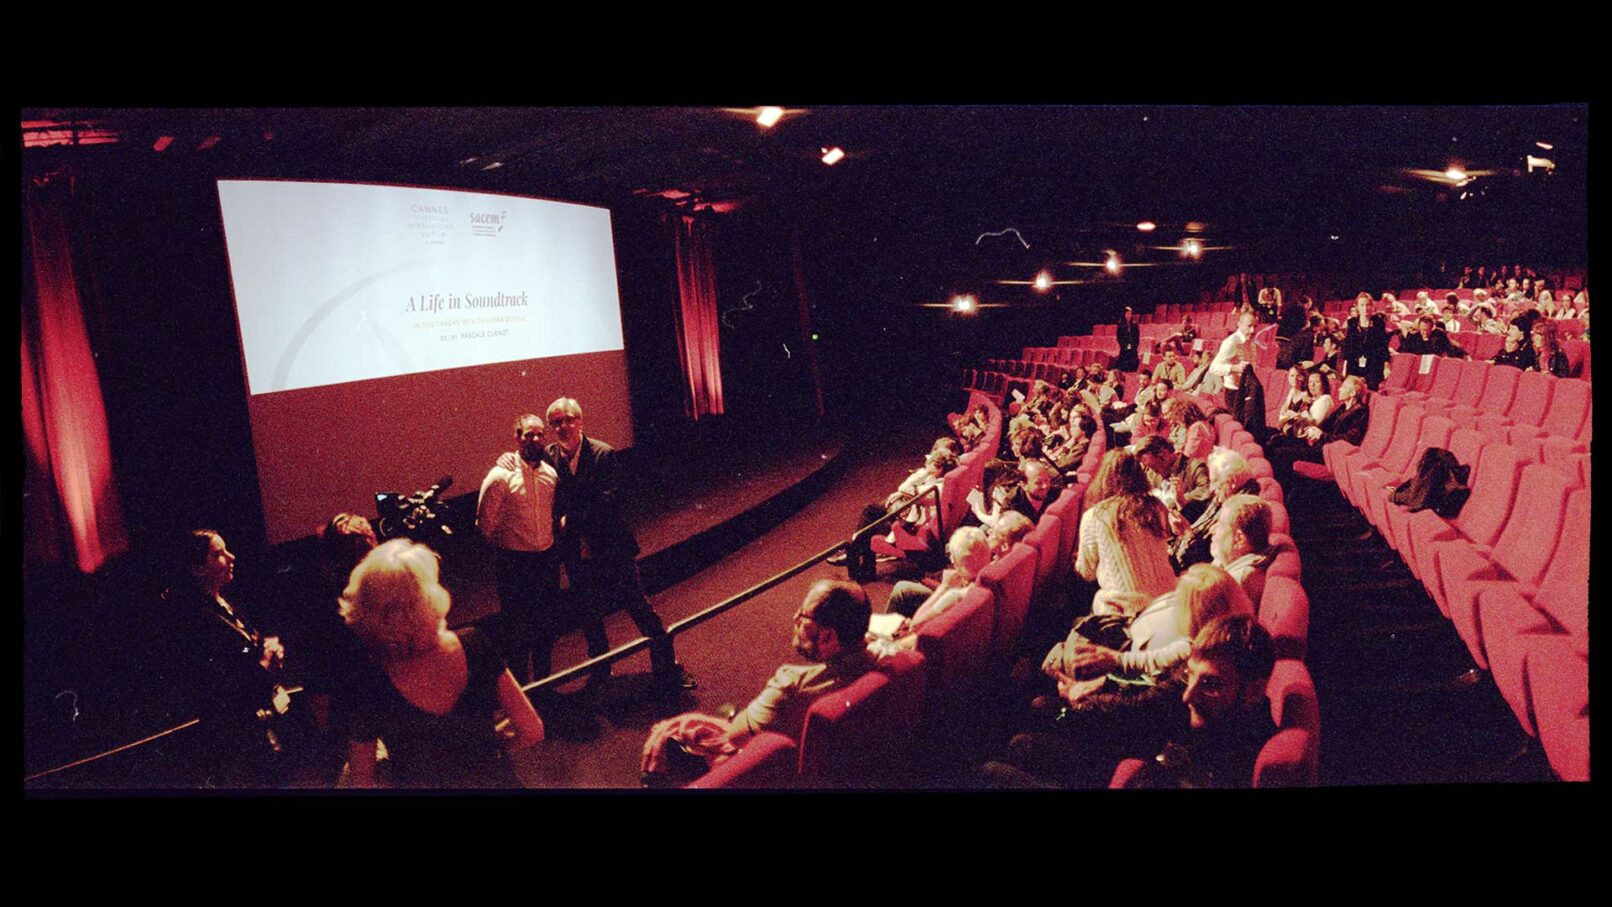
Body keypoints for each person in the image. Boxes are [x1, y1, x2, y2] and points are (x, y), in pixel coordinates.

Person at [338, 539, 543, 788]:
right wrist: (487, 748)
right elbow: (532, 730)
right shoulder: (473, 643)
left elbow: (362, 781)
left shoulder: (369, 685)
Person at [639, 580, 875, 785]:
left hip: (787, 770)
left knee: (679, 734)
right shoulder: (882, 657)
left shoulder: (791, 684)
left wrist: (739, 720)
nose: (795, 618)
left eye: (804, 616)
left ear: (827, 635)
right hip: (846, 761)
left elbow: (735, 736)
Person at [543, 397, 693, 699]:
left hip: (611, 548)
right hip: (576, 553)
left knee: (638, 607)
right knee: (589, 615)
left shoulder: (604, 454)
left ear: (581, 421)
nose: (563, 426)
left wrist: (567, 520)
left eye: (568, 419)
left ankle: (668, 668)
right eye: (556, 422)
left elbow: (608, 503)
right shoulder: (548, 456)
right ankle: (601, 671)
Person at [158, 529, 289, 786]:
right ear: (197, 568)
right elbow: (220, 682)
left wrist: (267, 646)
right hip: (234, 734)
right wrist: (264, 661)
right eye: (218, 554)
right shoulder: (196, 619)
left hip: (255, 723)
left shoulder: (224, 602)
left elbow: (244, 647)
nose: (231, 557)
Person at [1125, 614, 1277, 789]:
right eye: (1189, 674)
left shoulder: (1239, 763)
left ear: (1254, 692)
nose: (1187, 696)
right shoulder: (1221, 724)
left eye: (1210, 684)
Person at [478, 413, 563, 685]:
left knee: (545, 628)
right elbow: (485, 524)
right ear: (517, 437)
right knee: (516, 632)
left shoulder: (551, 474)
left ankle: (544, 685)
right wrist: (508, 549)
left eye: (540, 434)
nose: (535, 439)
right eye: (529, 434)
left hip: (546, 561)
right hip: (514, 564)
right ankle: (523, 691)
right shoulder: (500, 476)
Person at [1075, 450, 1179, 617]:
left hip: (1128, 609)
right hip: (1168, 598)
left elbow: (1087, 573)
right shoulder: (1157, 507)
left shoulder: (1095, 516)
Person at [871, 526, 992, 657]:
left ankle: (888, 640)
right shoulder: (991, 573)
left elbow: (916, 625)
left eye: (952, 556)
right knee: (903, 588)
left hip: (939, 640)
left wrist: (943, 587)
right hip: (956, 624)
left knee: (875, 632)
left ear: (957, 562)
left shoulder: (954, 596)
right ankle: (894, 633)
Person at [1266, 374, 1369, 480]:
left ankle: (1282, 487)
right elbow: (1326, 424)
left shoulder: (1360, 411)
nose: (1339, 389)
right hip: (1320, 443)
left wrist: (1322, 436)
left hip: (1328, 451)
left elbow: (1349, 439)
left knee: (1282, 453)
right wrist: (1315, 431)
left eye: (1343, 387)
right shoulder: (1343, 408)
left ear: (1352, 393)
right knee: (1276, 441)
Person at [1210, 494, 1274, 606]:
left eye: (1220, 525)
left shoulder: (1237, 582)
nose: (1212, 530)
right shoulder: (1231, 561)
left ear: (1239, 539)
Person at [1210, 310, 1260, 428]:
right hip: (1235, 393)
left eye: (1255, 326)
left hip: (1247, 391)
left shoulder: (1251, 341)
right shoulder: (1231, 342)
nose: (1252, 330)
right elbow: (1213, 367)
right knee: (1239, 428)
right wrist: (1234, 368)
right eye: (1249, 326)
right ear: (1239, 324)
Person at [1343, 294, 1392, 389]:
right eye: (1362, 305)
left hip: (1373, 363)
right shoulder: (1352, 323)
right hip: (1354, 363)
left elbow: (1383, 347)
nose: (1365, 308)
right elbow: (1348, 346)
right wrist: (1345, 366)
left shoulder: (1378, 322)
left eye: (1368, 305)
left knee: (1370, 387)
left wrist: (1386, 366)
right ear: (1357, 306)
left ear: (1372, 306)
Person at [1115, 307, 1142, 372]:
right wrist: (1125, 345)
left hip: (1133, 346)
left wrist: (1133, 345)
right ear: (1124, 314)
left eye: (1130, 314)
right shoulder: (1121, 324)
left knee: (1132, 359)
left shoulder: (1134, 324)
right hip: (1124, 347)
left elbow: (1137, 336)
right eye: (1127, 313)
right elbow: (1119, 336)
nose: (1129, 315)